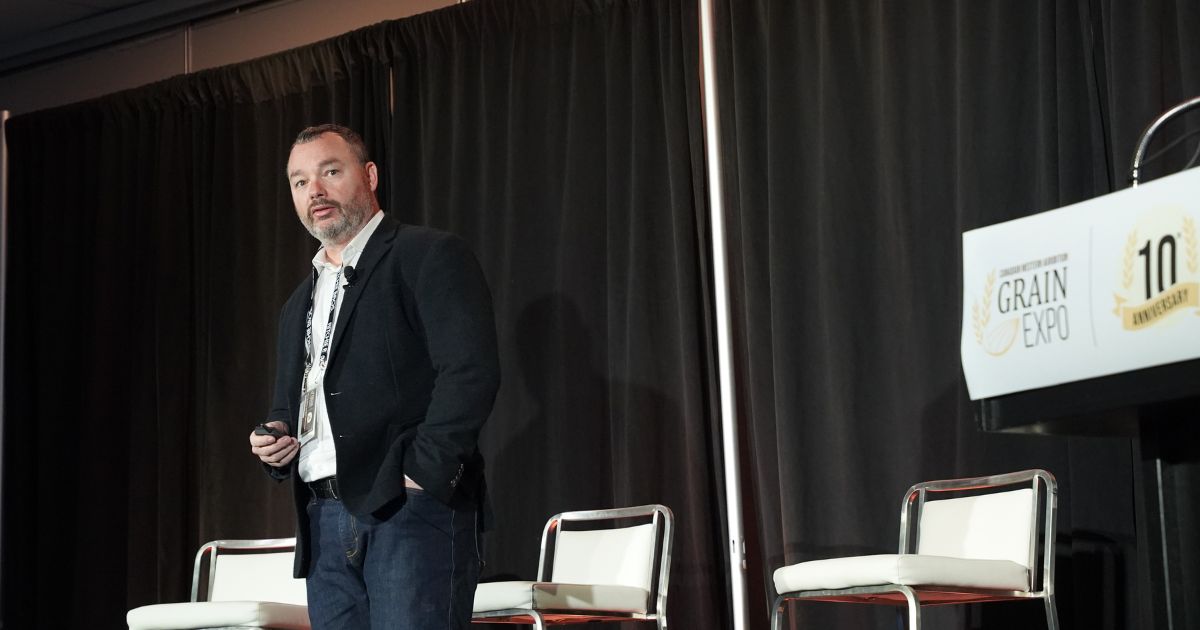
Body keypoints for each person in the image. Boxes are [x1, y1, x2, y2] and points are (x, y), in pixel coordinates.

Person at [249, 123, 500, 629]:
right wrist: (275, 438)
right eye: (299, 182)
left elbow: (470, 372)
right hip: (322, 519)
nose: (314, 191)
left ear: (369, 175)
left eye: (330, 172)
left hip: (406, 512)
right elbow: (288, 407)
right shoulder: (298, 302)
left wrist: (422, 474)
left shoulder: (425, 255)